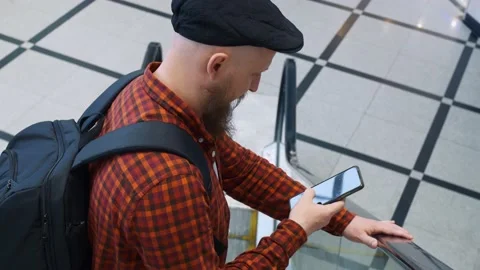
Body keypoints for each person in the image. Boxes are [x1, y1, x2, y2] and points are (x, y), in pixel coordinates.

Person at [87, 0, 413, 269]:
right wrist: (296, 230)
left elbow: (242, 170)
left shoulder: (148, 91)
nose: (254, 87)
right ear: (216, 66)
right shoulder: (166, 183)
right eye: (254, 74)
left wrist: (342, 221)